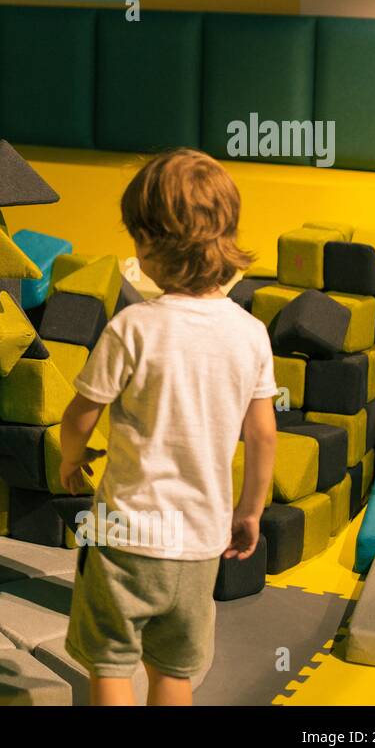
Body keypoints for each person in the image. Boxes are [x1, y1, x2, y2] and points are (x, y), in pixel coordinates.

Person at [57, 147, 277, 705]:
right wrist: (250, 511)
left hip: (126, 537)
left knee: (109, 665)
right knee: (173, 673)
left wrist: (69, 455)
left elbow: (81, 411)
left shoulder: (133, 327)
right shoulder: (250, 333)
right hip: (200, 544)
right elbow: (263, 436)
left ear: (150, 244)